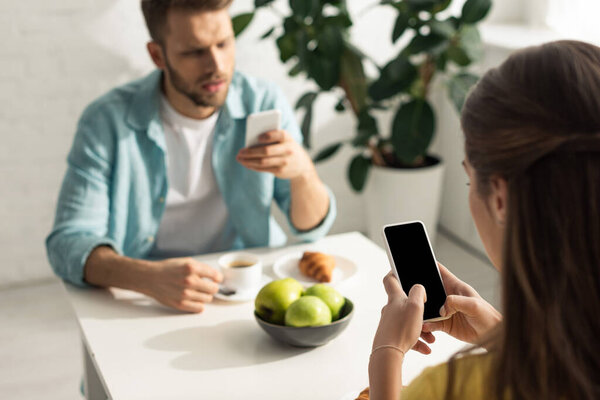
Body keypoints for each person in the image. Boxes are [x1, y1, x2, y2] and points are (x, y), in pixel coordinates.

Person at [45, 0, 336, 313]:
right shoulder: (107, 122)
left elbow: (311, 228)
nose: (217, 65)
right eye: (194, 52)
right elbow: (68, 244)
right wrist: (146, 277)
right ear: (158, 55)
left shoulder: (263, 101)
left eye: (223, 43)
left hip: (248, 290)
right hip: (148, 298)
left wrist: (303, 172)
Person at [365, 40, 600, 400]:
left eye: (470, 180)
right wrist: (501, 337)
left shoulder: (455, 388)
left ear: (502, 201)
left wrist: (387, 354)